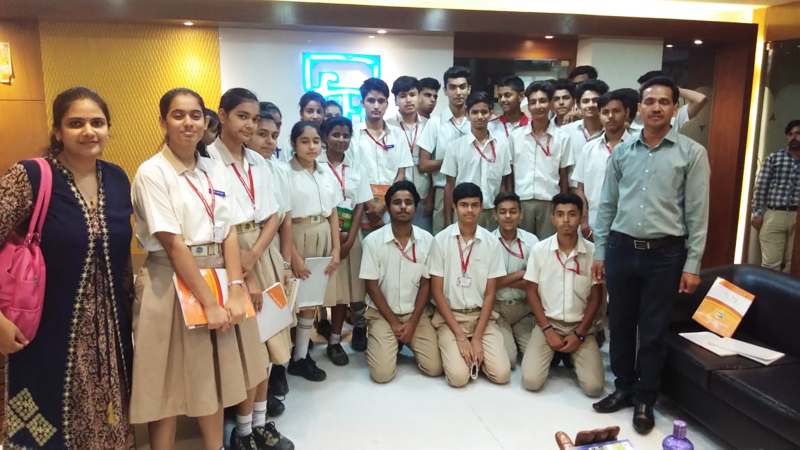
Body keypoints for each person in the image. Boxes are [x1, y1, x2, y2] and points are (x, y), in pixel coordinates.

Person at [131, 88, 268, 450]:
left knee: (215, 376)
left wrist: (236, 289)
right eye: (178, 115)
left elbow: (229, 232)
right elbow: (174, 244)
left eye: (195, 115)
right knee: (166, 384)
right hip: (170, 279)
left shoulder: (213, 169)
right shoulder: (152, 172)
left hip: (219, 271)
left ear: (205, 120)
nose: (188, 123)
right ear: (163, 122)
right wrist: (209, 303)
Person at [0, 87, 134, 449]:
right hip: (44, 330)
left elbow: (122, 261)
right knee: (46, 427)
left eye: (97, 123)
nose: (88, 131)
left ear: (108, 129)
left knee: (108, 426)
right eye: (76, 123)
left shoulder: (117, 179)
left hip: (111, 338)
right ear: (58, 131)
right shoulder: (31, 176)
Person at [591, 76, 710, 434]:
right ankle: (623, 388)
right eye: (649, 101)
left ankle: (646, 398)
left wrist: (692, 263)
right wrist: (600, 251)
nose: (656, 107)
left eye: (663, 101)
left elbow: (697, 213)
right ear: (638, 108)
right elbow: (607, 206)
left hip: (665, 255)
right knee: (620, 325)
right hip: (621, 250)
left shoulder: (691, 153)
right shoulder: (622, 152)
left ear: (675, 108)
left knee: (654, 331)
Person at [206, 88, 293, 450]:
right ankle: (241, 432)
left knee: (269, 343)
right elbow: (217, 222)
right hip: (228, 255)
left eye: (255, 118)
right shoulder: (207, 160)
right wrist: (246, 270)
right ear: (222, 115)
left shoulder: (258, 161)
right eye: (242, 116)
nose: (250, 125)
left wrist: (257, 256)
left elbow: (273, 215)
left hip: (260, 250)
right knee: (247, 349)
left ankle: (259, 425)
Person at [520, 193, 604, 397]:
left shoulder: (593, 252)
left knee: (594, 388)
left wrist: (580, 334)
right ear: (552, 218)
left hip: (580, 326)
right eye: (560, 214)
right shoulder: (540, 250)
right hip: (548, 324)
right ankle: (558, 352)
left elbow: (596, 297)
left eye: (572, 214)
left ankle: (568, 354)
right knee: (531, 381)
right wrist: (547, 329)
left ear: (581, 217)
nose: (566, 220)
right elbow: (531, 291)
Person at [360, 181, 443, 382]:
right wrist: (395, 323)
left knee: (435, 368)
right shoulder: (372, 241)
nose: (403, 207)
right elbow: (371, 286)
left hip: (416, 315)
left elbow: (426, 284)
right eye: (397, 202)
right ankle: (388, 340)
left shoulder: (428, 240)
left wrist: (412, 322)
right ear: (388, 208)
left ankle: (400, 340)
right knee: (381, 375)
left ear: (415, 207)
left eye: (408, 202)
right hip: (383, 315)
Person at [429, 182, 511, 387]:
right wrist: (460, 337)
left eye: (475, 205)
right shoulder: (440, 241)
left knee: (502, 375)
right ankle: (466, 356)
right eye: (464, 205)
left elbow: (490, 294)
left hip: (480, 317)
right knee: (458, 378)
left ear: (481, 207)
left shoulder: (491, 243)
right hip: (450, 318)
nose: (469, 210)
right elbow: (437, 292)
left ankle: (476, 356)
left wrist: (477, 338)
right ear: (454, 206)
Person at [246, 105, 296, 418]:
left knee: (274, 321)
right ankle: (247, 400)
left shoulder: (277, 170)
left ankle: (275, 375)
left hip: (273, 251)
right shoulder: (232, 168)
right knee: (253, 328)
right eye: (262, 134)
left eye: (274, 135)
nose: (269, 141)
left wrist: (286, 263)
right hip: (246, 251)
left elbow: (284, 218)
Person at [286, 121, 341, 381]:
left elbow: (334, 213)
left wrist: (336, 249)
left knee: (311, 298)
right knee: (291, 298)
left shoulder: (326, 172)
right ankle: (280, 362)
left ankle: (300, 357)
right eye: (304, 141)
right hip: (296, 234)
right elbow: (282, 218)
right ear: (293, 143)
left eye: (316, 141)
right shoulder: (285, 172)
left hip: (323, 234)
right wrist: (293, 257)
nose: (311, 146)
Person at [318, 116, 372, 363]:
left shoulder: (357, 168)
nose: (341, 140)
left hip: (350, 235)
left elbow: (359, 205)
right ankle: (305, 342)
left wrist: (350, 241)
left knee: (343, 292)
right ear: (325, 137)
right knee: (318, 290)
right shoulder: (315, 165)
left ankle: (335, 341)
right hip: (323, 236)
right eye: (335, 135)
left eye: (346, 135)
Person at [350, 78, 413, 237]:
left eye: (381, 101)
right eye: (371, 100)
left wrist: (385, 205)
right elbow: (352, 175)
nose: (376, 106)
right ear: (362, 103)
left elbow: (401, 175)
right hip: (362, 209)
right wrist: (371, 209)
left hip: (391, 208)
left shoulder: (398, 134)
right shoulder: (352, 135)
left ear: (387, 104)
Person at [509, 81, 572, 238]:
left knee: (548, 246)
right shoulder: (515, 136)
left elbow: (564, 174)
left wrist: (561, 205)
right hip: (521, 201)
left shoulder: (562, 137)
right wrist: (511, 201)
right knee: (522, 245)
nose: (538, 106)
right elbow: (509, 173)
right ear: (528, 106)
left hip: (550, 202)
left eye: (543, 101)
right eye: (533, 102)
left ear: (551, 104)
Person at [442, 91, 512, 230]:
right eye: (474, 112)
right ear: (467, 114)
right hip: (464, 212)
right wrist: (448, 220)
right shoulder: (454, 147)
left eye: (484, 112)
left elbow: (503, 184)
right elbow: (449, 185)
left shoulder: (502, 146)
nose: (480, 116)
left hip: (492, 212)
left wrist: (502, 212)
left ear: (491, 113)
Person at [418, 66, 472, 234]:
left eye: (462, 87)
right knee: (443, 241)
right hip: (442, 191)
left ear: (469, 89)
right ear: (445, 91)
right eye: (453, 87)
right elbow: (423, 164)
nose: (458, 92)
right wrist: (452, 161)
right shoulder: (435, 123)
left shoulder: (476, 121)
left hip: (472, 191)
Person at [573, 90, 633, 235]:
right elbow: (580, 189)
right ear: (599, 115)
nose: (610, 116)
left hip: (629, 216)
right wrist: (584, 222)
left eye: (616, 111)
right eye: (605, 112)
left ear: (626, 112)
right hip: (594, 216)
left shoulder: (637, 147)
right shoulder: (589, 148)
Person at [492, 192, 539, 367]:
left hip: (524, 310)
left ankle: (515, 336)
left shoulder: (531, 241)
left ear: (521, 214)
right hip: (498, 310)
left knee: (535, 360)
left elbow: (535, 281)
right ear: (495, 215)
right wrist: (521, 274)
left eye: (513, 211)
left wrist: (501, 280)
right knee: (509, 361)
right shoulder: (488, 241)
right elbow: (486, 284)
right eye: (502, 211)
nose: (508, 216)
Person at [751, 119, 800, 273]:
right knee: (771, 265)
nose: (793, 137)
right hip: (775, 214)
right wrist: (757, 213)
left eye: (798, 133)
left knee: (794, 266)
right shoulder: (774, 158)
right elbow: (761, 187)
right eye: (790, 134)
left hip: (798, 216)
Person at [386, 75, 433, 233]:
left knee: (422, 239)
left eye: (412, 95)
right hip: (395, 197)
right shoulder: (387, 126)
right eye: (402, 96)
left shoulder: (430, 126)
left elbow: (433, 165)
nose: (408, 100)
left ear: (419, 97)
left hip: (423, 196)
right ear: (395, 101)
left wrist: (431, 194)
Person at [562, 80, 610, 191]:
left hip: (601, 191)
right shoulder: (566, 132)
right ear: (578, 104)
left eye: (595, 101)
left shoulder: (611, 132)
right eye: (585, 101)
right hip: (573, 191)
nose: (591, 105)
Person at [630, 71, 707, 133]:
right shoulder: (631, 117)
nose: (656, 109)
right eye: (641, 90)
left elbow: (700, 99)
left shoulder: (673, 117)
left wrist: (671, 88)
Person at [278, 91, 325, 163]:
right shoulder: (289, 144)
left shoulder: (328, 141)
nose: (315, 116)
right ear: (301, 113)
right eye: (310, 111)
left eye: (319, 112)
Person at [488, 76, 529, 141]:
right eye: (500, 96)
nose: (502, 100)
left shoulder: (532, 126)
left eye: (507, 95)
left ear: (521, 96)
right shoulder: (490, 126)